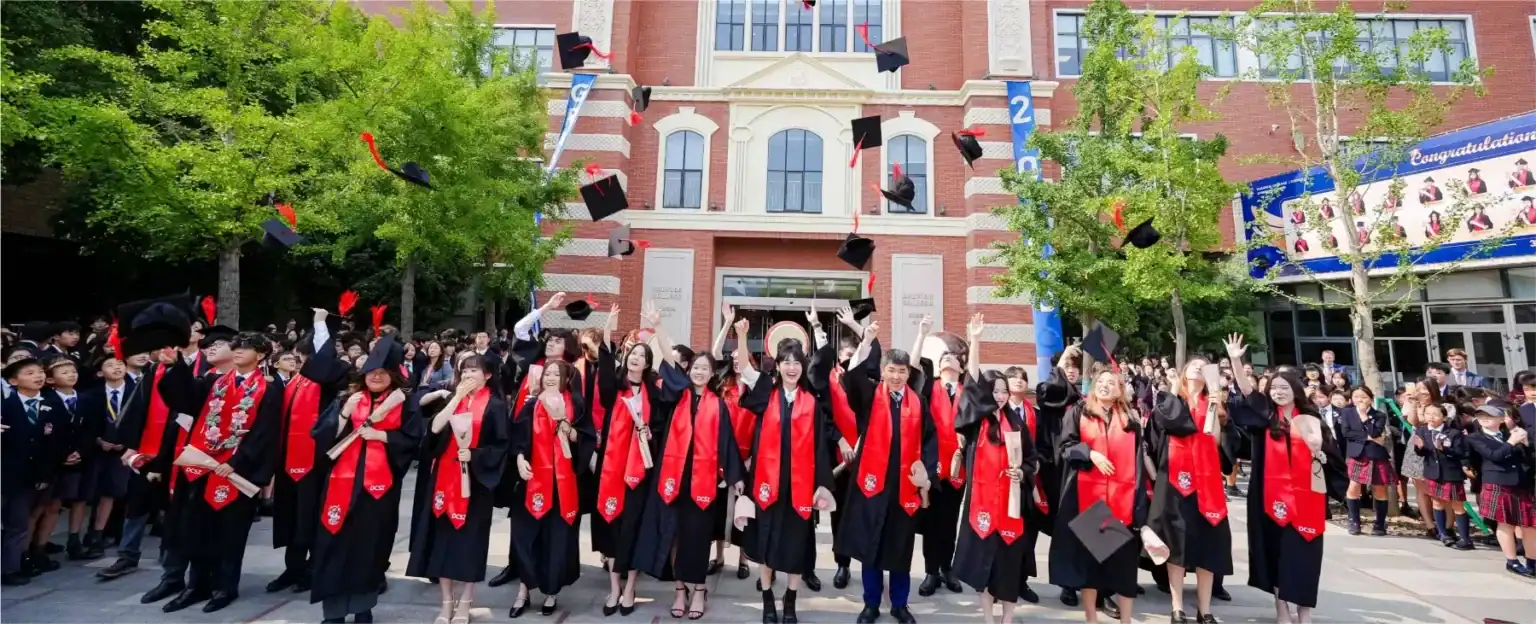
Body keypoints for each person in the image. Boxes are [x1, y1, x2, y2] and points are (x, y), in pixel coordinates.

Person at [151, 332, 281, 613]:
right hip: (203, 466)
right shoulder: (214, 381)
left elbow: (265, 432)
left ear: (260, 355)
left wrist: (237, 463)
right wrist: (176, 366)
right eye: (235, 346)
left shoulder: (268, 388)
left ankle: (224, 587)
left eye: (245, 348)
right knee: (196, 530)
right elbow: (185, 400)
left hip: (236, 471)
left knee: (229, 534)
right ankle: (196, 586)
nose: (237, 351)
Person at [309, 334, 422, 623]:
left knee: (368, 548)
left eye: (383, 372)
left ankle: (362, 609)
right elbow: (320, 437)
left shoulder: (403, 404)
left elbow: (412, 441)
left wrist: (383, 436)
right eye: (372, 372)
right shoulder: (348, 398)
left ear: (393, 376)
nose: (376, 377)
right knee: (333, 544)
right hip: (339, 483)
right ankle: (332, 612)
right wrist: (345, 414)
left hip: (377, 490)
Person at [1229, 338, 1343, 624]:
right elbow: (1246, 391)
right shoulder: (1266, 415)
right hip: (1271, 499)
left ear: (1296, 390)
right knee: (1277, 554)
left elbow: (1331, 456)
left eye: (1284, 388)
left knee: (1304, 555)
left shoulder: (1311, 417)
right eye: (1274, 388)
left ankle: (1304, 613)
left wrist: (1320, 451)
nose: (1278, 392)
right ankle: (1282, 610)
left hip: (1306, 500)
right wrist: (1235, 361)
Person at [732, 316, 837, 624]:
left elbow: (820, 447)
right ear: (776, 365)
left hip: (799, 488)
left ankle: (789, 601)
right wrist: (741, 336)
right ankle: (767, 600)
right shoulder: (766, 392)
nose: (791, 367)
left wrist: (822, 485)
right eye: (785, 362)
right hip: (767, 486)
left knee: (795, 548)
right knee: (766, 545)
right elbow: (747, 370)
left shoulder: (811, 402)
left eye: (796, 362)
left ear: (802, 367)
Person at [834, 313, 934, 624]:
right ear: (883, 370)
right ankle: (870, 604)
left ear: (908, 374)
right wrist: (865, 339)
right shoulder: (869, 396)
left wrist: (926, 474)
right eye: (891, 370)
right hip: (871, 487)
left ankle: (900, 605)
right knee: (870, 548)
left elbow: (929, 440)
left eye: (902, 372)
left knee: (900, 551)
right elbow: (850, 380)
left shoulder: (918, 403)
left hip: (903, 488)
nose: (896, 377)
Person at [633, 350, 743, 620]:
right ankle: (680, 590)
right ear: (688, 370)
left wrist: (735, 476)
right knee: (674, 536)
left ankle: (699, 590)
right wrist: (659, 331)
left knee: (698, 536)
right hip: (674, 476)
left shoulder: (717, 405)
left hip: (703, 480)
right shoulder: (675, 398)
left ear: (711, 373)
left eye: (705, 368)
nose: (700, 372)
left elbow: (726, 442)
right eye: (696, 367)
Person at [406, 355, 510, 624]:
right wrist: (455, 398)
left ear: (487, 375)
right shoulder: (450, 400)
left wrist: (474, 456)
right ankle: (446, 602)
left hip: (475, 485)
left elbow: (501, 446)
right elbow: (435, 430)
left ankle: (466, 601)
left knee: (469, 545)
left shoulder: (495, 406)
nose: (468, 375)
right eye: (464, 370)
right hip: (444, 480)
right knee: (443, 544)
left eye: (475, 370)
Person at [1048, 345, 1147, 624]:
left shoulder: (1130, 421)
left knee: (1124, 569)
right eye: (1101, 383)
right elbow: (1065, 446)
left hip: (1123, 502)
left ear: (1120, 390)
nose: (1106, 387)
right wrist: (1090, 453)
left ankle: (1125, 620)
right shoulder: (1080, 411)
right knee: (1092, 568)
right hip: (1090, 501)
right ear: (1093, 386)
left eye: (1111, 384)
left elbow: (1139, 460)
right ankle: (1091, 618)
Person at [950, 316, 1038, 624]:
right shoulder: (978, 422)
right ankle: (988, 618)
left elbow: (1031, 459)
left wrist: (1023, 473)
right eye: (995, 390)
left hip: (1012, 506)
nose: (1000, 395)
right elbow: (972, 384)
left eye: (1003, 391)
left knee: (1009, 566)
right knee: (985, 566)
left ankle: (1008, 618)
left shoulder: (1018, 425)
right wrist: (975, 340)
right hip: (984, 506)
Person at [591, 302, 677, 615]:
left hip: (641, 469)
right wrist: (607, 330)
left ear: (647, 362)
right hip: (611, 467)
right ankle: (614, 588)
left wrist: (649, 433)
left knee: (634, 527)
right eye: (633, 354)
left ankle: (630, 588)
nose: (636, 358)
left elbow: (674, 379)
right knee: (612, 527)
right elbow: (602, 373)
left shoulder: (654, 392)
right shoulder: (616, 387)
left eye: (642, 355)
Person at [267, 310, 349, 595]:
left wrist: (319, 324)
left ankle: (314, 570)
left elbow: (324, 359)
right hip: (288, 462)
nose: (303, 361)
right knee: (290, 517)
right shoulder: (293, 382)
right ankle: (293, 568)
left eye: (307, 356)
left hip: (315, 462)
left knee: (312, 517)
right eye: (301, 356)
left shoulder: (328, 378)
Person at [507, 359, 597, 617]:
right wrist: (520, 459)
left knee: (557, 541)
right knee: (525, 538)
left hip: (564, 485)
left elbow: (586, 438)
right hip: (533, 481)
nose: (550, 377)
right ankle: (523, 590)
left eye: (557, 374)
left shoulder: (576, 404)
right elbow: (518, 439)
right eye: (547, 373)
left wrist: (566, 426)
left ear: (566, 379)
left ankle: (551, 592)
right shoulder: (531, 405)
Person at [1147, 356, 1234, 624]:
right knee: (1175, 546)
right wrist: (1173, 388)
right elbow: (1161, 427)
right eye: (1193, 365)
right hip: (1174, 482)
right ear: (1184, 372)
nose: (1198, 367)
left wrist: (1219, 414)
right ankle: (1177, 607)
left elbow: (1220, 445)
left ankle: (1204, 609)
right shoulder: (1173, 399)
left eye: (1203, 366)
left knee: (1207, 546)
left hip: (1207, 484)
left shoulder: (1214, 404)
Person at [911, 315, 965, 599]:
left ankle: (948, 567)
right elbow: (912, 366)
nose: (948, 361)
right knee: (931, 520)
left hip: (958, 469)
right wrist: (922, 334)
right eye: (944, 358)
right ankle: (931, 571)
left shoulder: (967, 393)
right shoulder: (929, 388)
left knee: (950, 520)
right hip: (933, 467)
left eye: (954, 358)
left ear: (961, 367)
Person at [2, 356, 58, 586]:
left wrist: (44, 475)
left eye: (40, 372)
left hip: (28, 477)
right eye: (29, 373)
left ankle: (10, 568)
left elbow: (55, 443)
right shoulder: (5, 405)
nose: (38, 376)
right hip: (5, 472)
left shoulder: (51, 405)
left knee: (18, 524)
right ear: (13, 381)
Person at [1465, 404, 1536, 577]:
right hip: (1496, 482)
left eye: (1488, 415)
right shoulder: (1476, 438)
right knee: (1505, 523)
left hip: (1520, 483)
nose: (1484, 418)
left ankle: (1532, 561)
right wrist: (1512, 442)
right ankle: (1511, 561)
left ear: (1501, 419)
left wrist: (1526, 444)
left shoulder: (1509, 434)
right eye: (1480, 416)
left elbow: (1529, 460)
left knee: (1529, 524)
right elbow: (1494, 456)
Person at [76, 354, 135, 559]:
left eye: (120, 363)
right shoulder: (90, 395)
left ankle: (97, 534)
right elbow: (82, 425)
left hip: (123, 451)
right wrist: (98, 440)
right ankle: (76, 537)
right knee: (86, 493)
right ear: (100, 372)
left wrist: (127, 443)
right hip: (95, 450)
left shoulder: (136, 392)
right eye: (110, 365)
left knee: (112, 491)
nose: (117, 368)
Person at [1412, 402, 1473, 549]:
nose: (1431, 417)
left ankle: (1465, 538)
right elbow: (1422, 453)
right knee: (1437, 502)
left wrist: (1444, 449)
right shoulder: (1422, 431)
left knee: (1457, 505)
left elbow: (1461, 453)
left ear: (1444, 417)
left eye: (1435, 414)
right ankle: (1443, 534)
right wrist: (1419, 448)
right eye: (1428, 414)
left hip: (1451, 473)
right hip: (1432, 472)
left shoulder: (1453, 433)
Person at [1339, 386, 1394, 536]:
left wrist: (1364, 417)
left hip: (1376, 454)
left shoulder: (1379, 415)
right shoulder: (1347, 412)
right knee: (1353, 487)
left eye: (1363, 397)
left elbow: (1375, 431)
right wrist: (1368, 437)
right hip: (1357, 454)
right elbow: (1346, 432)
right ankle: (1354, 521)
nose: (1360, 400)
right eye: (1356, 397)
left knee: (1380, 488)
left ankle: (1380, 524)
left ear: (1370, 398)